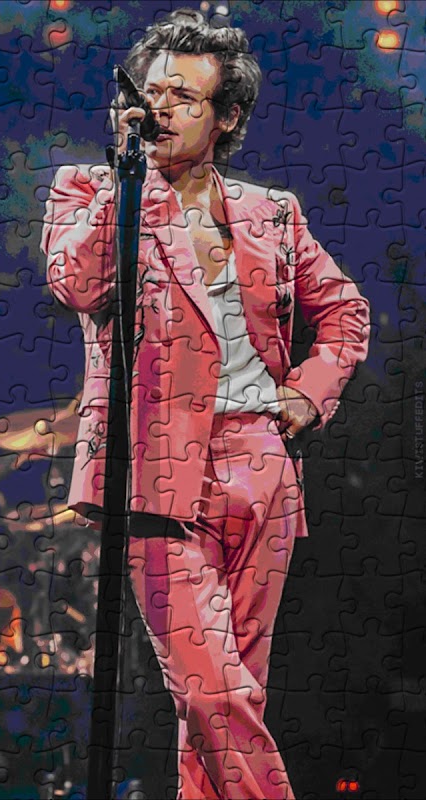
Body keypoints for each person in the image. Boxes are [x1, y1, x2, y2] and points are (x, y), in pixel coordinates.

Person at [40, 9, 370, 799]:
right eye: (151, 91)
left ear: (226, 117)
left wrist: (306, 393)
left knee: (227, 705)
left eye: (183, 96)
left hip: (263, 469)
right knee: (214, 694)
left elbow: (345, 312)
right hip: (153, 467)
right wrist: (130, 181)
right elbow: (78, 283)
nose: (161, 107)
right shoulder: (92, 190)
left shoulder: (271, 210)